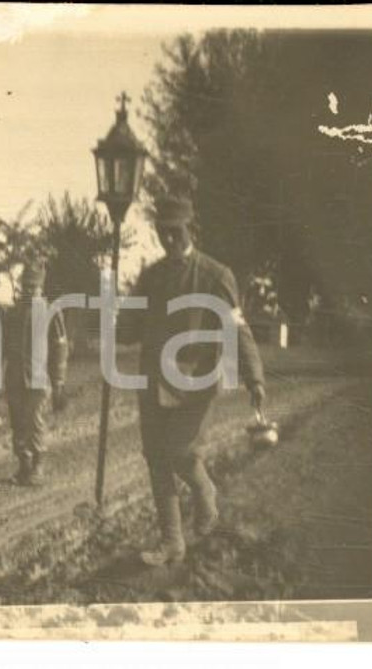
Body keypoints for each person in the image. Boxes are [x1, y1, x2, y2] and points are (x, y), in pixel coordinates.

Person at [118, 196, 266, 566]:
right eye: (162, 232)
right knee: (156, 458)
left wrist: (254, 378)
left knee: (182, 454)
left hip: (196, 381)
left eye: (175, 231)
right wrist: (118, 319)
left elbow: (238, 329)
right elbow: (128, 330)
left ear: (190, 229)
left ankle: (205, 492)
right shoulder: (150, 277)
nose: (168, 238)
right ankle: (172, 543)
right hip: (153, 380)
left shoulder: (216, 276)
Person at [2, 261, 69, 486]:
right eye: (26, 286)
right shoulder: (14, 312)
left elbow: (60, 347)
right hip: (15, 377)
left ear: (42, 287)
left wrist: (58, 381)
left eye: (34, 287)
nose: (30, 291)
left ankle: (38, 466)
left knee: (34, 421)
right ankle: (24, 465)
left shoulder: (51, 311)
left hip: (39, 379)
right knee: (18, 423)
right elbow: (4, 344)